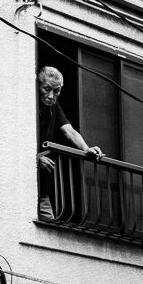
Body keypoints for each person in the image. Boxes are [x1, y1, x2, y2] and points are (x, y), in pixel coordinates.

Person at [36, 66, 103, 220]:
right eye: (47, 89)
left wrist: (87, 149)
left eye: (57, 91)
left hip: (42, 186)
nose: (51, 95)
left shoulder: (54, 107)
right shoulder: (28, 101)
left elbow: (69, 131)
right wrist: (36, 158)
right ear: (38, 85)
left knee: (47, 228)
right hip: (19, 180)